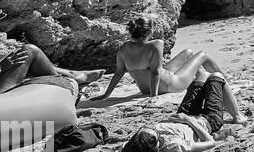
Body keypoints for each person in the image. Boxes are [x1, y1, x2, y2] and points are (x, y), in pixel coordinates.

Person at [109, 71, 247, 152]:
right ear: (156, 145)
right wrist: (190, 121)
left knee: (202, 75)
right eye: (155, 133)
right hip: (205, 121)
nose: (153, 129)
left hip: (182, 115)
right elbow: (210, 143)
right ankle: (237, 115)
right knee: (216, 76)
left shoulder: (132, 147)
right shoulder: (173, 146)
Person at [85, 17, 224, 99]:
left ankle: (200, 76)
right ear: (149, 32)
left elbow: (119, 73)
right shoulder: (156, 44)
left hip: (145, 88)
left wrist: (106, 95)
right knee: (203, 55)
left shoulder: (123, 48)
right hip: (170, 85)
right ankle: (224, 80)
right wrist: (154, 96)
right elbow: (155, 72)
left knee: (188, 52)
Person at [0, 42, 103, 97]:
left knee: (10, 57)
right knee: (29, 51)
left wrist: (1, 67)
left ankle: (73, 75)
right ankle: (71, 78)